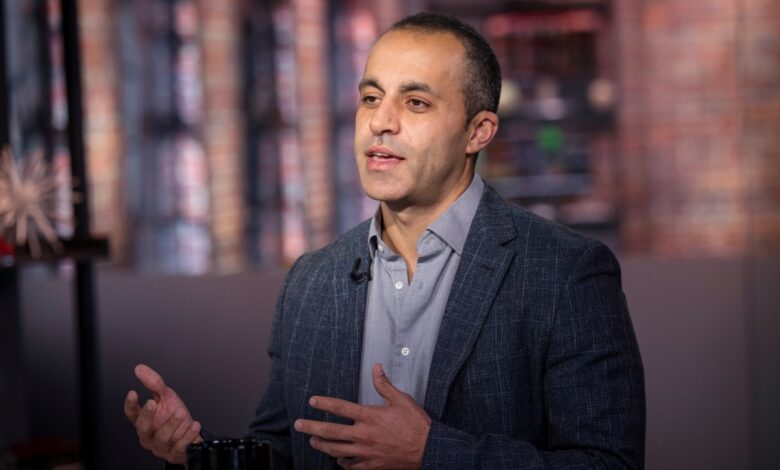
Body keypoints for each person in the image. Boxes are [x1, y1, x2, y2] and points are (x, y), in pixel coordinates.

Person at [125, 11, 645, 469]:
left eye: (415, 102)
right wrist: (198, 452)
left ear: (478, 131)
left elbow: (608, 463)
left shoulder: (565, 272)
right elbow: (285, 453)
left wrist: (430, 454)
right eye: (370, 97)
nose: (380, 121)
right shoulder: (312, 280)